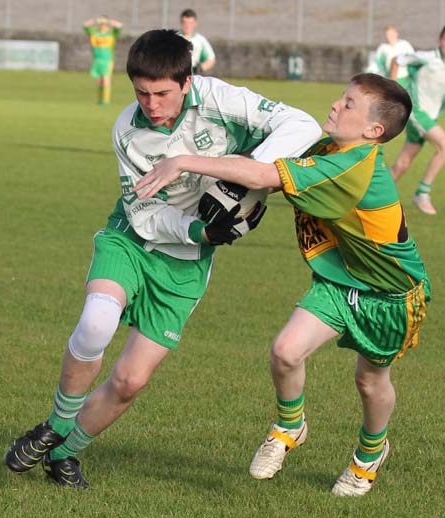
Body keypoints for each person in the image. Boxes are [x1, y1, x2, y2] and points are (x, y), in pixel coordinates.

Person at [4, 29, 321, 489]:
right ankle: (56, 423)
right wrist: (198, 227)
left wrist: (240, 180)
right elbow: (146, 212)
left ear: (188, 82)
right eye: (142, 93)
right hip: (132, 238)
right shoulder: (127, 130)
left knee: (131, 381)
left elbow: (304, 127)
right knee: (96, 321)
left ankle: (65, 455)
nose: (151, 105)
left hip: (184, 266)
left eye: (163, 93)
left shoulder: (220, 100)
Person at [135, 73, 430, 497]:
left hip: (391, 294)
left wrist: (181, 161)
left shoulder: (351, 167)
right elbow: (267, 151)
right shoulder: (330, 149)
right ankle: (289, 427)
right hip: (339, 280)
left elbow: (260, 175)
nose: (335, 105)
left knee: (370, 381)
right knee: (285, 351)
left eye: (348, 104)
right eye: (341, 97)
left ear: (374, 131)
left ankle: (370, 452)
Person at [390, 26, 445, 215]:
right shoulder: (427, 57)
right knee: (444, 145)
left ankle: (365, 199)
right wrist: (394, 89)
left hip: (428, 117)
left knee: (402, 165)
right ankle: (422, 192)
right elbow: (396, 60)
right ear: (440, 40)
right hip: (415, 111)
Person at [83, 15, 123, 105]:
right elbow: (85, 26)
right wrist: (95, 20)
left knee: (106, 79)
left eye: (104, 24)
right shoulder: (95, 33)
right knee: (99, 80)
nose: (103, 25)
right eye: (101, 23)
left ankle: (106, 100)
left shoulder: (111, 34)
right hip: (97, 60)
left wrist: (109, 21)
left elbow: (120, 26)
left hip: (107, 60)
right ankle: (100, 100)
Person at [179, 8, 216, 74]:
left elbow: (211, 59)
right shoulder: (174, 38)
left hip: (193, 76)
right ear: (181, 23)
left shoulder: (200, 40)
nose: (187, 26)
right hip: (176, 74)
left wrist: (199, 68)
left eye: (190, 23)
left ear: (195, 23)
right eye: (185, 23)